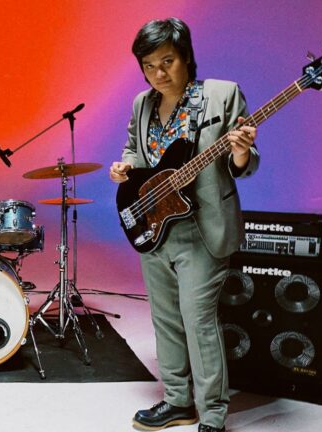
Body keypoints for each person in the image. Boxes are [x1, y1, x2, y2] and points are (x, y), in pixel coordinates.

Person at [109, 18, 259, 432]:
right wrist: (124, 168)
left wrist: (241, 152)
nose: (158, 73)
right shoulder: (142, 103)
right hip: (156, 224)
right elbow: (134, 150)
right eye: (149, 66)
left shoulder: (221, 95)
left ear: (187, 57)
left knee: (198, 320)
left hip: (203, 228)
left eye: (167, 61)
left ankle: (212, 415)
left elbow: (245, 164)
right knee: (165, 319)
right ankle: (177, 401)